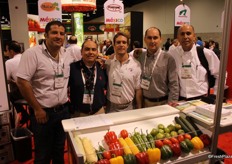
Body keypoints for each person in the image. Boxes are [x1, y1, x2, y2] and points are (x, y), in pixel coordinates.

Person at [17, 21, 71, 164]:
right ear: (46, 34)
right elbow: (22, 81)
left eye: (61, 33)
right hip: (43, 114)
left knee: (59, 150)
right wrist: (37, 109)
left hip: (63, 111)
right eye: (54, 33)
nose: (58, 36)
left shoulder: (66, 53)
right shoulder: (32, 54)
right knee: (43, 154)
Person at [169, 24, 220, 101]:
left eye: (188, 33)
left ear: (194, 36)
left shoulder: (206, 53)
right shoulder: (173, 54)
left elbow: (220, 75)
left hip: (202, 100)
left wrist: (215, 94)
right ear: (178, 38)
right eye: (182, 34)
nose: (185, 37)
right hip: (181, 100)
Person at [133, 27, 179, 107]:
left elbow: (174, 84)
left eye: (155, 38)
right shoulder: (140, 56)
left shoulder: (168, 58)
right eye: (149, 38)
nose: (152, 41)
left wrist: (172, 103)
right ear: (145, 39)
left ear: (160, 39)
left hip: (162, 103)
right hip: (144, 103)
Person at [69, 39, 108, 116]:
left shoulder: (102, 68)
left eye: (93, 49)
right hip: (79, 113)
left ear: (97, 52)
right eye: (87, 49)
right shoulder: (72, 68)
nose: (90, 52)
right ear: (81, 51)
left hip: (99, 112)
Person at [106, 32, 142, 112]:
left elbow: (138, 89)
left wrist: (139, 108)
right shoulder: (109, 63)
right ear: (114, 45)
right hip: (111, 107)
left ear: (127, 45)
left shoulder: (136, 64)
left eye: (124, 42)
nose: (121, 45)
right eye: (118, 42)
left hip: (129, 107)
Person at [5, 40, 29, 125]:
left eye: (7, 50)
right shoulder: (27, 57)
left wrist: (13, 81)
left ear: (11, 51)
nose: (6, 53)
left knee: (9, 96)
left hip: (24, 91)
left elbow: (6, 79)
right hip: (34, 90)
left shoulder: (9, 62)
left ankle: (23, 113)